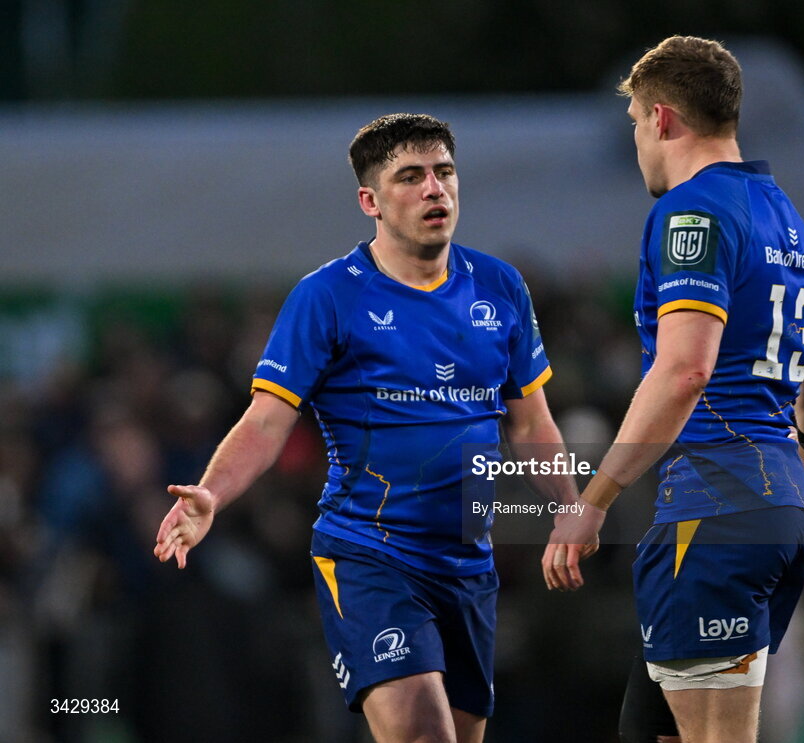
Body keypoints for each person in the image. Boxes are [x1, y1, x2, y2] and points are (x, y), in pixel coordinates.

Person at [155, 113, 577, 743]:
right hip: (369, 554)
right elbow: (267, 423)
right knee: (422, 732)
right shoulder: (327, 296)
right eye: (411, 177)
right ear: (370, 201)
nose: (435, 189)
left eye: (444, 173)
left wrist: (570, 508)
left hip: (468, 564)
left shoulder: (501, 286)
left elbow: (531, 421)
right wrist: (212, 493)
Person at [542, 36, 804, 743]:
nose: (639, 143)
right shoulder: (787, 220)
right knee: (649, 729)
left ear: (663, 118)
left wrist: (594, 501)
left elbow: (684, 370)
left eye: (637, 124)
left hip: (715, 507)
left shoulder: (692, 213)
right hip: (779, 507)